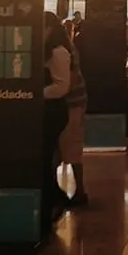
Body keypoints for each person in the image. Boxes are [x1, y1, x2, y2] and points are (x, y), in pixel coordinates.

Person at [41, 13, 75, 216]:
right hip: (48, 109)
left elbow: (62, 87)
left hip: (53, 110)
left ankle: (54, 199)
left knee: (47, 155)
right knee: (46, 157)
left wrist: (35, 94)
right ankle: (53, 196)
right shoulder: (46, 51)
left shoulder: (59, 52)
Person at [58, 28, 89, 207]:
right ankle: (78, 189)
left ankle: (80, 190)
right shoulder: (68, 48)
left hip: (71, 102)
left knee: (71, 143)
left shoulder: (62, 51)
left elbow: (66, 83)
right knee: (72, 144)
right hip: (75, 100)